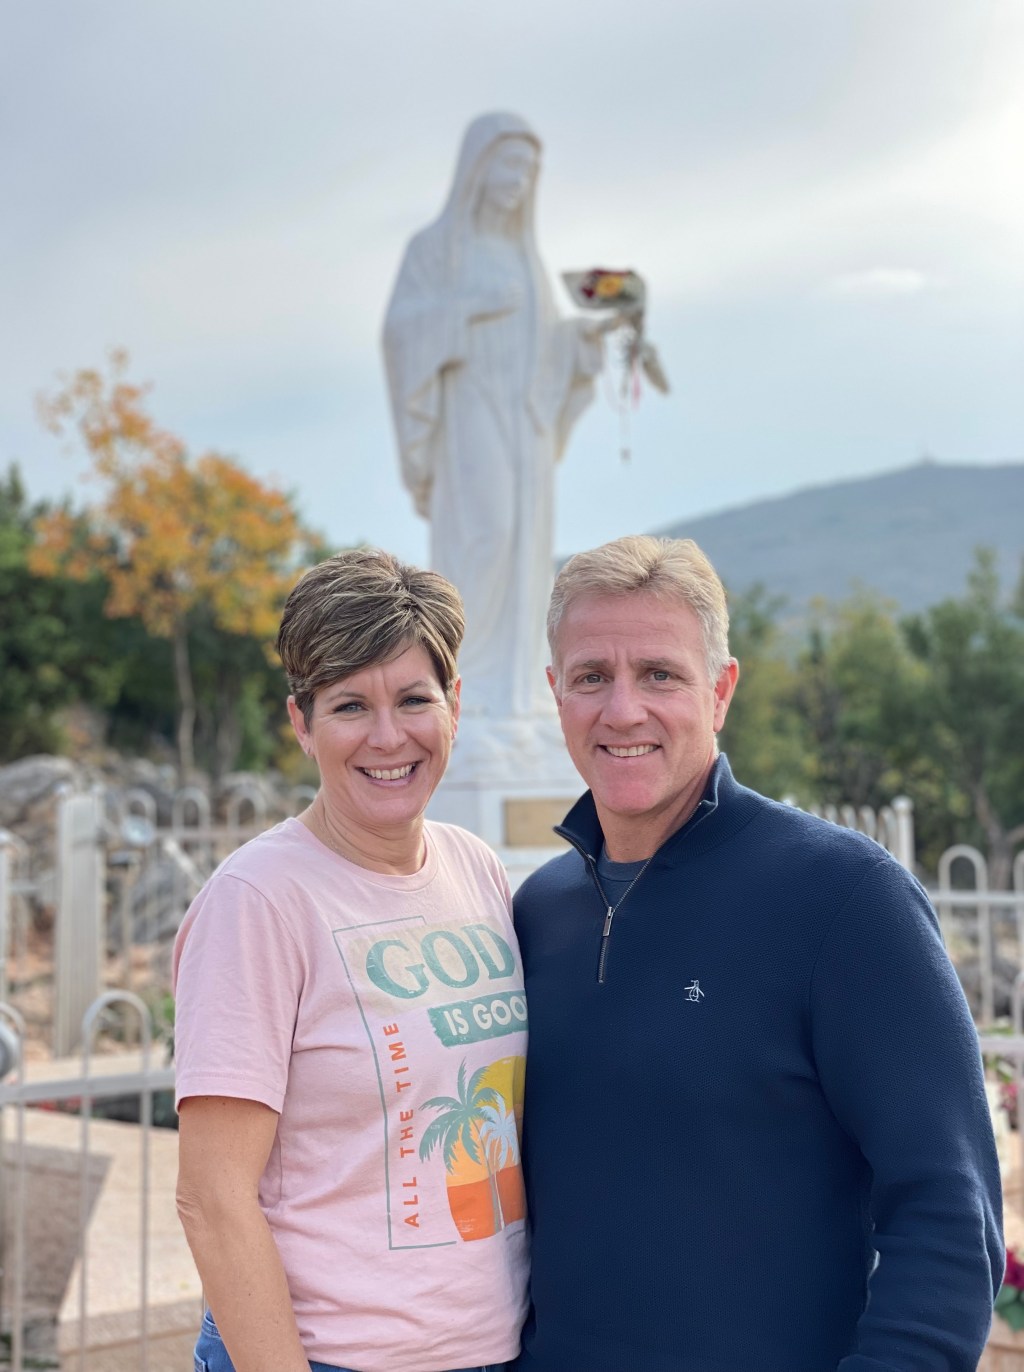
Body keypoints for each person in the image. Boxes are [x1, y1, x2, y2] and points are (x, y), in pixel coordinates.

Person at [511, 534, 1003, 1372]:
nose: (622, 710)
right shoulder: (538, 911)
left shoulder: (846, 900)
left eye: (659, 674)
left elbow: (951, 1217)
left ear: (721, 690)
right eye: (592, 676)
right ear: (556, 692)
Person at [174, 549, 527, 1372]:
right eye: (349, 706)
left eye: (414, 699)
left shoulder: (475, 868)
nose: (388, 736)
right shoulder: (259, 900)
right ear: (301, 723)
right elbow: (212, 1199)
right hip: (331, 1355)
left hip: (494, 1348)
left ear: (454, 706)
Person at [382, 111, 604, 722]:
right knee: (489, 533)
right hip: (469, 408)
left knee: (528, 546)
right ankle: (467, 676)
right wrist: (468, 309)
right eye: (509, 165)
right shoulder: (436, 249)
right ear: (478, 169)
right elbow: (402, 333)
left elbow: (548, 346)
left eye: (529, 170)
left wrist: (579, 345)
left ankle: (518, 690)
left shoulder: (528, 260)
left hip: (525, 420)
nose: (518, 181)